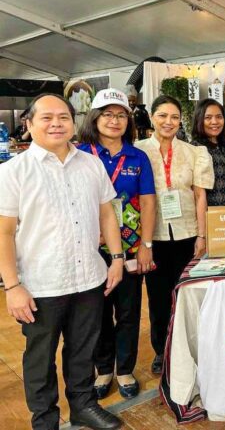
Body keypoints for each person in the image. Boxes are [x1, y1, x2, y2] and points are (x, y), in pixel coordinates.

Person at [0, 93, 123, 430]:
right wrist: (12, 286)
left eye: (64, 117)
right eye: (46, 117)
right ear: (28, 124)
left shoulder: (90, 163)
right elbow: (4, 234)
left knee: (83, 349)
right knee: (40, 357)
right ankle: (45, 419)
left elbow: (107, 215)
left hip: (89, 278)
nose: (56, 123)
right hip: (41, 283)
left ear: (73, 122)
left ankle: (83, 405)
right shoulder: (13, 172)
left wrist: (116, 258)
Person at [76, 88, 156, 400]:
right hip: (89, 250)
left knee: (128, 311)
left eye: (121, 115)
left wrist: (146, 244)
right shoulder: (79, 155)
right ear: (95, 119)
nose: (114, 120)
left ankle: (124, 369)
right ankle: (103, 369)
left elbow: (148, 203)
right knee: (95, 312)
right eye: (108, 114)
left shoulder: (138, 157)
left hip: (131, 248)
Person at [135, 95, 214, 375]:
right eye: (162, 116)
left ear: (181, 121)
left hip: (187, 232)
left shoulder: (195, 152)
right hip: (153, 234)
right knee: (157, 297)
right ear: (153, 118)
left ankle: (193, 348)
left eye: (174, 117)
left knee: (188, 294)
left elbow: (200, 196)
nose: (168, 122)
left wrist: (202, 236)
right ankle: (161, 350)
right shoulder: (138, 151)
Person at [191, 98, 225, 207]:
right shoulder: (195, 149)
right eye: (208, 118)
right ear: (199, 120)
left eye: (219, 117)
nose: (214, 122)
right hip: (211, 216)